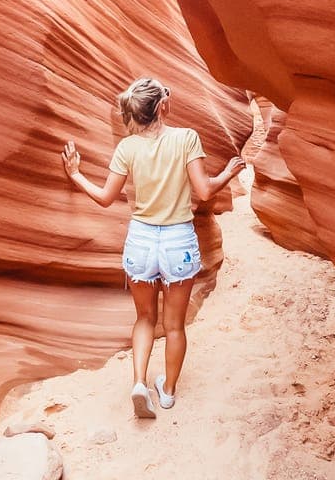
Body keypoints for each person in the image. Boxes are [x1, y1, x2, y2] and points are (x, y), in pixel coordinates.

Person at [61, 77, 245, 418]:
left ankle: (138, 383)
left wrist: (75, 175)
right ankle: (168, 392)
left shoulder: (127, 148)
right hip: (178, 241)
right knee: (174, 326)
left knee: (145, 318)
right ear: (161, 106)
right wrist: (229, 173)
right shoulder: (187, 138)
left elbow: (105, 197)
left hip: (141, 241)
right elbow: (205, 191)